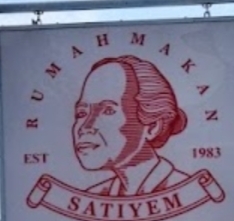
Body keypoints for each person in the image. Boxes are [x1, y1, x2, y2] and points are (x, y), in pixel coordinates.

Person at [72, 55, 191, 197]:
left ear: (152, 126)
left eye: (108, 111)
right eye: (81, 113)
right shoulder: (95, 195)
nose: (85, 126)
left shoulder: (186, 190)